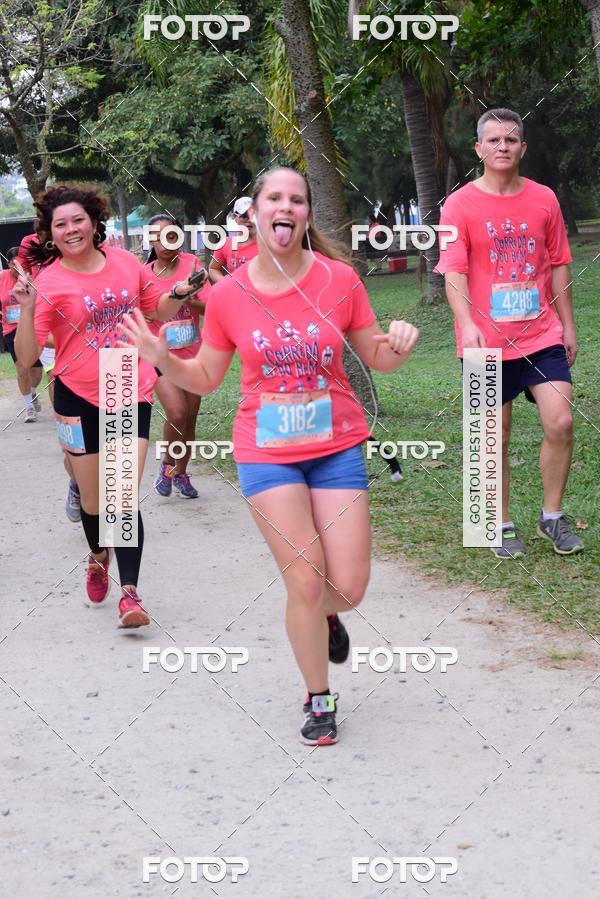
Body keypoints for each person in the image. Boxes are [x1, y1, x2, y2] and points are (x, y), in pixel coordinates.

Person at [119, 167, 418, 744]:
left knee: (348, 588)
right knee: (304, 583)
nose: (286, 207)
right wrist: (161, 357)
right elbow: (205, 376)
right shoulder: (228, 293)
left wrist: (399, 347)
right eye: (274, 198)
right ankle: (318, 698)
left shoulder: (339, 280)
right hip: (266, 452)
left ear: (305, 215)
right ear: (253, 214)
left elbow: (376, 357)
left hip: (335, 448)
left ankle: (326, 616)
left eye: (297, 200)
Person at [13, 184, 202, 627]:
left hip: (125, 383)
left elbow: (154, 309)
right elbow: (25, 358)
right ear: (51, 233)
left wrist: (179, 290)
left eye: (78, 220)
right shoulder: (48, 282)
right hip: (74, 395)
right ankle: (99, 555)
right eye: (61, 224)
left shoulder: (124, 261)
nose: (71, 229)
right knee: (95, 504)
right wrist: (25, 309)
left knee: (121, 497)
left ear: (94, 222)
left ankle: (130, 594)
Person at [435, 108, 583, 558]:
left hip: (541, 335)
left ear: (523, 148)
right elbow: (452, 273)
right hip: (486, 341)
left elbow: (558, 266)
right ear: (479, 149)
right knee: (492, 437)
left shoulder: (544, 199)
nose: (503, 146)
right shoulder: (457, 204)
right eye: (494, 140)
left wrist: (568, 325)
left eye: (512, 140)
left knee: (560, 420)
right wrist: (468, 324)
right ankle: (498, 523)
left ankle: (552, 519)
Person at [142, 214, 211, 498]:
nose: (166, 242)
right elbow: (143, 313)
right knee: (177, 413)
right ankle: (167, 466)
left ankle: (180, 473)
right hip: (160, 356)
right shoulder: (143, 274)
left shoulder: (193, 265)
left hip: (193, 355)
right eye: (159, 236)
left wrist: (190, 296)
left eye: (172, 235)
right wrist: (172, 297)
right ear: (151, 241)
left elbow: (209, 309)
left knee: (190, 420)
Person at [0, 247, 43, 422]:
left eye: (22, 263)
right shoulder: (2, 278)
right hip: (11, 328)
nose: (18, 267)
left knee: (37, 371)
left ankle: (32, 392)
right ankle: (29, 408)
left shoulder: (32, 276)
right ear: (9, 263)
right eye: (14, 263)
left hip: (32, 327)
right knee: (21, 368)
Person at [208, 196, 258, 281]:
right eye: (244, 216)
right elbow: (213, 269)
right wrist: (227, 284)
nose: (249, 220)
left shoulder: (268, 243)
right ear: (235, 217)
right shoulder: (225, 244)